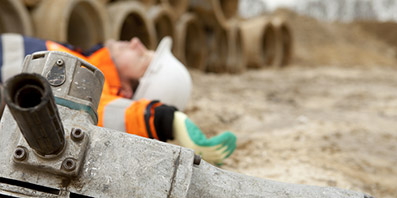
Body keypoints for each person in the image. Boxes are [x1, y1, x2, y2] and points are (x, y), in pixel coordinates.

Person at [0, 33, 236, 165]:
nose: (135, 41)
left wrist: (163, 119)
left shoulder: (85, 85)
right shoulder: (83, 58)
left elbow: (100, 112)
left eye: (142, 57)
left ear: (125, 92)